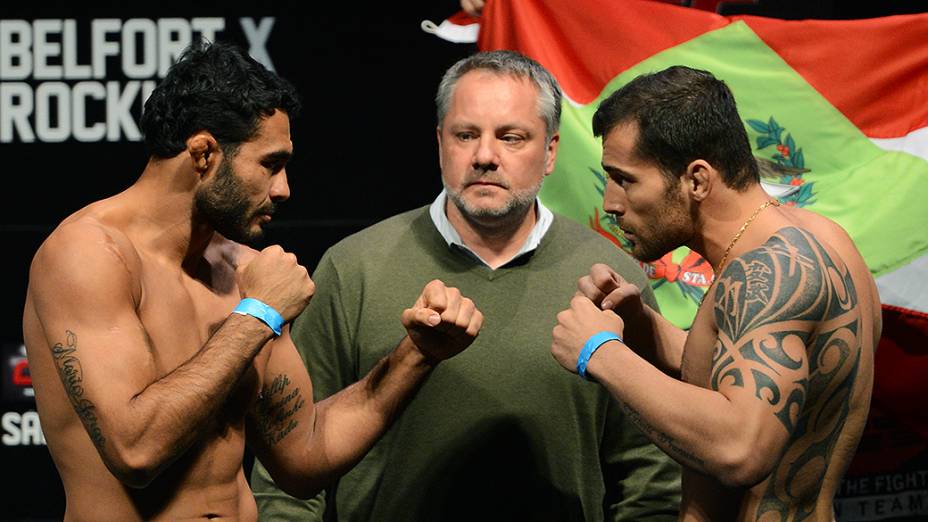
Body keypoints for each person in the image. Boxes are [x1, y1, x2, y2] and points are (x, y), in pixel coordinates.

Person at [22, 40, 483, 521]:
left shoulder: (243, 271)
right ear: (204, 153)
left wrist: (418, 355)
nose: (284, 189)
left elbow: (304, 455)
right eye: (270, 163)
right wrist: (258, 314)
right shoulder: (89, 254)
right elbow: (135, 450)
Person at [251, 50, 680, 521]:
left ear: (551, 151)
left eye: (511, 138)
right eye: (466, 135)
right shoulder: (354, 268)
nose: (485, 157)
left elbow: (650, 475)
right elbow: (287, 457)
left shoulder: (612, 280)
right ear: (440, 143)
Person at [550, 65, 880, 520]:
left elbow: (740, 449)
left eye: (625, 179)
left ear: (697, 180)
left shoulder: (769, 268)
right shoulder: (818, 239)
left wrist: (599, 352)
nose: (610, 203)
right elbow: (750, 370)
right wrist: (644, 328)